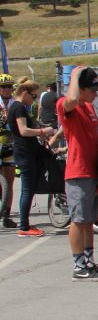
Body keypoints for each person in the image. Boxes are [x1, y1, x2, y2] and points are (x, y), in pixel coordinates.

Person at [58, 67, 98, 280]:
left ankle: (89, 261)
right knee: (79, 219)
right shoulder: (67, 105)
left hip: (94, 170)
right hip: (78, 171)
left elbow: (96, 132)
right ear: (80, 89)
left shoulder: (90, 108)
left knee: (89, 219)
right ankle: (79, 265)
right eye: (92, 89)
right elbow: (71, 99)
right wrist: (73, 76)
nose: (96, 94)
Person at [6, 78, 55, 236]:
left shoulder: (16, 106)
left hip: (25, 151)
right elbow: (23, 130)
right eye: (33, 96)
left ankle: (25, 224)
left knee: (28, 189)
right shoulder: (18, 107)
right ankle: (24, 226)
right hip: (24, 152)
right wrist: (43, 132)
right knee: (27, 190)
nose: (34, 100)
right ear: (25, 93)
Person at [0, 73, 17, 228]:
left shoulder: (15, 103)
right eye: (3, 87)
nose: (6, 89)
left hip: (11, 145)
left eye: (9, 86)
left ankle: (7, 215)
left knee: (9, 181)